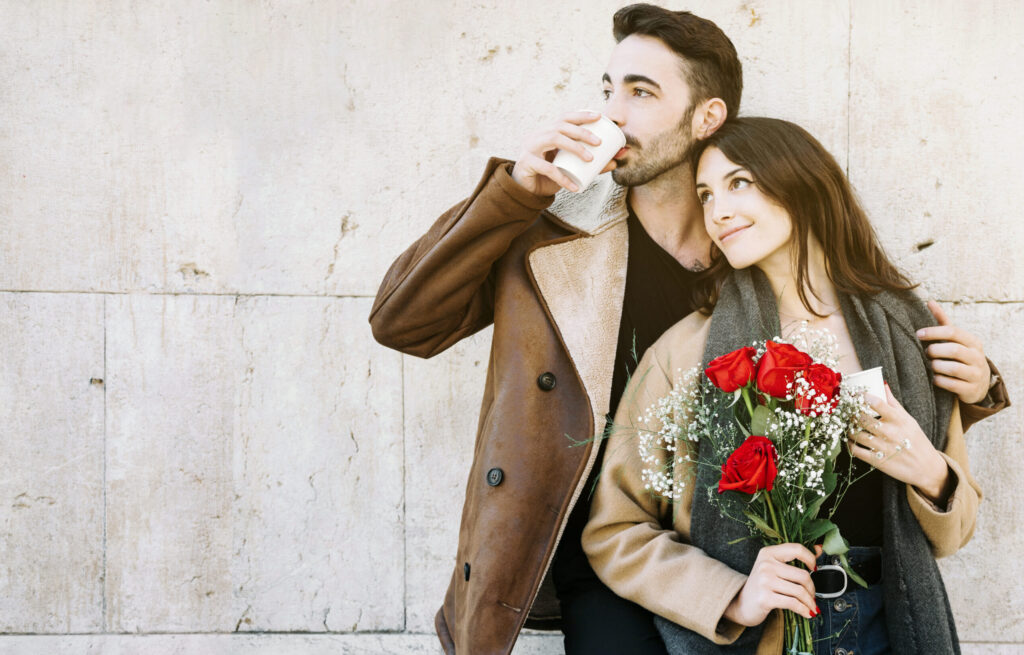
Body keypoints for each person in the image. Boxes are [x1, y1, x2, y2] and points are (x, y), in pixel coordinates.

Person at [370, 4, 1006, 652]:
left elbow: (855, 397)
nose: (613, 112)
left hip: (750, 551)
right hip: (601, 547)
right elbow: (404, 323)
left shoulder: (755, 243)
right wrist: (516, 192)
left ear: (707, 117)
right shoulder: (556, 233)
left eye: (641, 92)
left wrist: (973, 383)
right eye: (608, 89)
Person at [582, 117, 1009, 655]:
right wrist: (732, 595)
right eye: (706, 194)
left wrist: (929, 472)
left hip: (888, 627)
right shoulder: (686, 351)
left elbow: (955, 533)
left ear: (801, 182)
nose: (718, 212)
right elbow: (615, 531)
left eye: (739, 183)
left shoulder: (905, 331)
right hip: (761, 637)